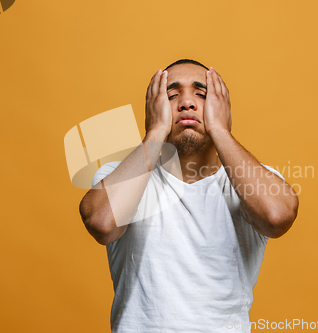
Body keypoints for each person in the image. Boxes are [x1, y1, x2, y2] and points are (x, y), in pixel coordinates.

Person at [79, 59, 299, 332]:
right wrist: (156, 131)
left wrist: (220, 129)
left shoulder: (249, 182)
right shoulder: (119, 177)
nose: (186, 103)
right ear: (153, 107)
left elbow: (277, 217)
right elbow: (102, 223)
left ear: (223, 107)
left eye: (202, 94)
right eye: (171, 95)